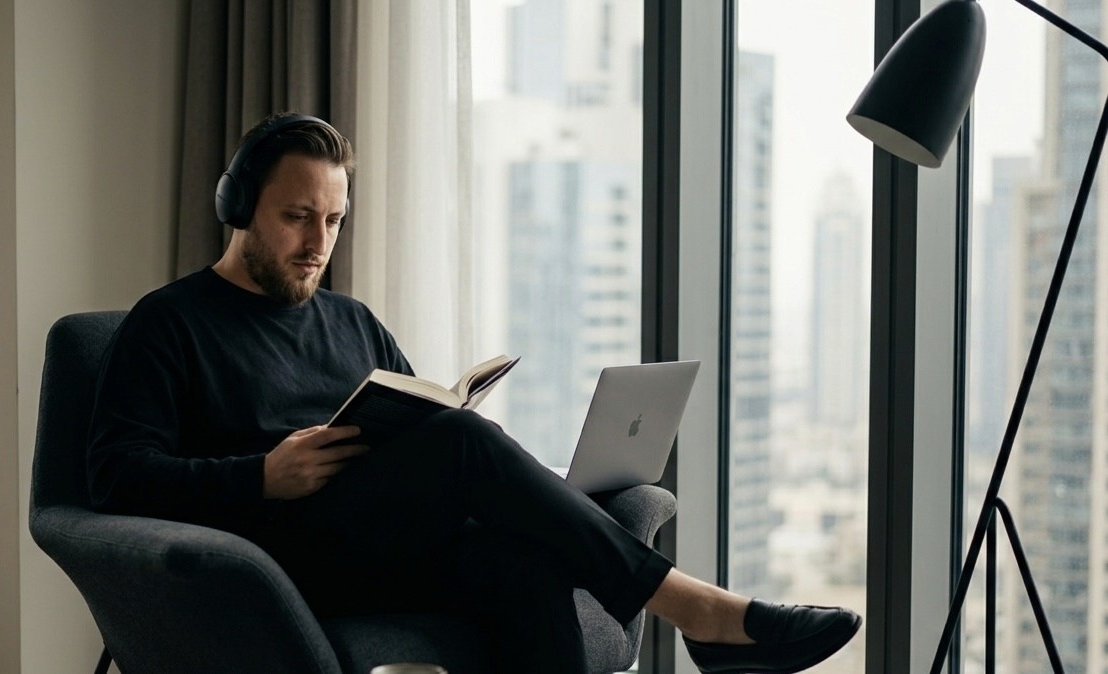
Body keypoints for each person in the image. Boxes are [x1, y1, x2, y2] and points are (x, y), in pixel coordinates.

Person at [86, 112, 861, 674]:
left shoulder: (351, 321)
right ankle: (699, 611)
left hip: (384, 544)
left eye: (332, 220)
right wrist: (259, 474)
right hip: (274, 562)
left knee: (520, 560)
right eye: (295, 218)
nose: (318, 244)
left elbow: (415, 428)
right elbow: (115, 477)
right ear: (238, 208)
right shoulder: (169, 323)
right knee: (462, 447)